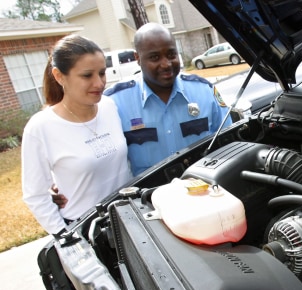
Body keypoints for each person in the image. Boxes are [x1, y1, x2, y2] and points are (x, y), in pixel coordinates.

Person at [21, 35, 132, 235]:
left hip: (130, 217)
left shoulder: (109, 106)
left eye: (102, 73)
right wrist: (66, 237)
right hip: (86, 230)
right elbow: (35, 196)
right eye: (87, 75)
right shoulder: (40, 127)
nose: (99, 83)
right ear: (59, 76)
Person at [104, 23, 233, 176]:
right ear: (137, 58)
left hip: (203, 190)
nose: (166, 64)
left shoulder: (204, 91)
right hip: (148, 196)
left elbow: (229, 145)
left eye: (171, 55)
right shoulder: (116, 103)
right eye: (155, 57)